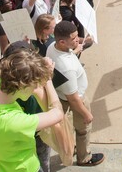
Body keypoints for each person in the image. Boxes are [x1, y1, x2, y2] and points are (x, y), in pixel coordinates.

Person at [0, 48, 64, 172]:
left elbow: (9, 73)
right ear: (23, 87)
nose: (37, 87)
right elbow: (58, 113)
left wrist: (34, 67)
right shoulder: (14, 122)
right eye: (35, 84)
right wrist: (48, 80)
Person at [46, 21, 105, 167]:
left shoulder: (51, 47)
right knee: (83, 130)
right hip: (75, 99)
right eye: (73, 38)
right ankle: (84, 157)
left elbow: (67, 54)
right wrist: (86, 114)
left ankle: (70, 149)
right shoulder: (67, 68)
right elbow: (73, 99)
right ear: (61, 41)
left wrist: (74, 49)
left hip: (60, 96)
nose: (77, 40)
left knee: (66, 129)